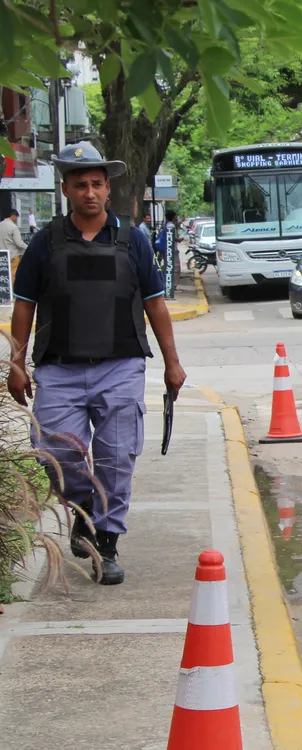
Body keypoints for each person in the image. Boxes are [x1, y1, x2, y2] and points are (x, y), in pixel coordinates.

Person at [6, 140, 187, 586]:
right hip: (59, 370)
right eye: (80, 184)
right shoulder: (44, 244)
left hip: (120, 366)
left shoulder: (134, 241)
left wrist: (172, 363)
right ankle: (86, 508)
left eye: (97, 184)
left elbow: (156, 306)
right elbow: (24, 306)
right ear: (66, 189)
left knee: (117, 458)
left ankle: (104, 543)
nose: (90, 192)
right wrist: (16, 362)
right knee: (54, 456)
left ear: (109, 189)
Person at [0, 208, 27, 279]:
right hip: (13, 256)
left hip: (2, 256)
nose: (17, 219)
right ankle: (12, 289)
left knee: (4, 276)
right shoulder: (13, 227)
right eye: (17, 217)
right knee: (13, 275)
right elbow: (19, 243)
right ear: (13, 216)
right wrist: (28, 247)